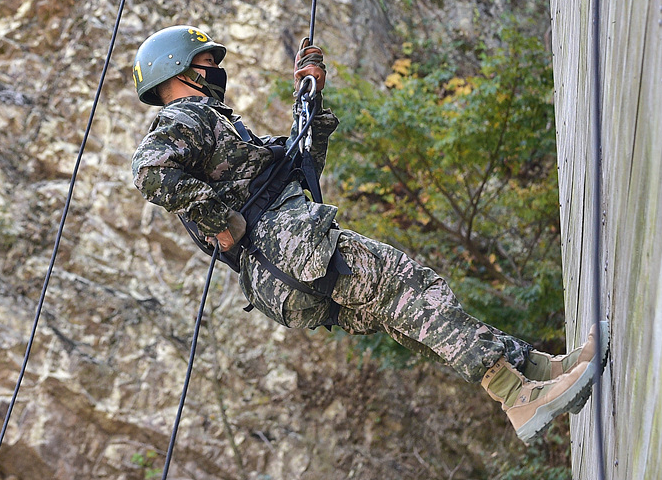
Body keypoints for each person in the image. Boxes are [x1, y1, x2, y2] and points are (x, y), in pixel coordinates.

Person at [130, 25, 608, 443]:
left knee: (409, 314)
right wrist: (219, 220)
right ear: (177, 69)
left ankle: (538, 371)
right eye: (207, 60)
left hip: (281, 272)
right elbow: (149, 170)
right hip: (290, 248)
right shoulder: (186, 116)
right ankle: (517, 397)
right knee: (410, 284)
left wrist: (311, 100)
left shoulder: (219, 126)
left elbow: (300, 168)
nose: (215, 69)